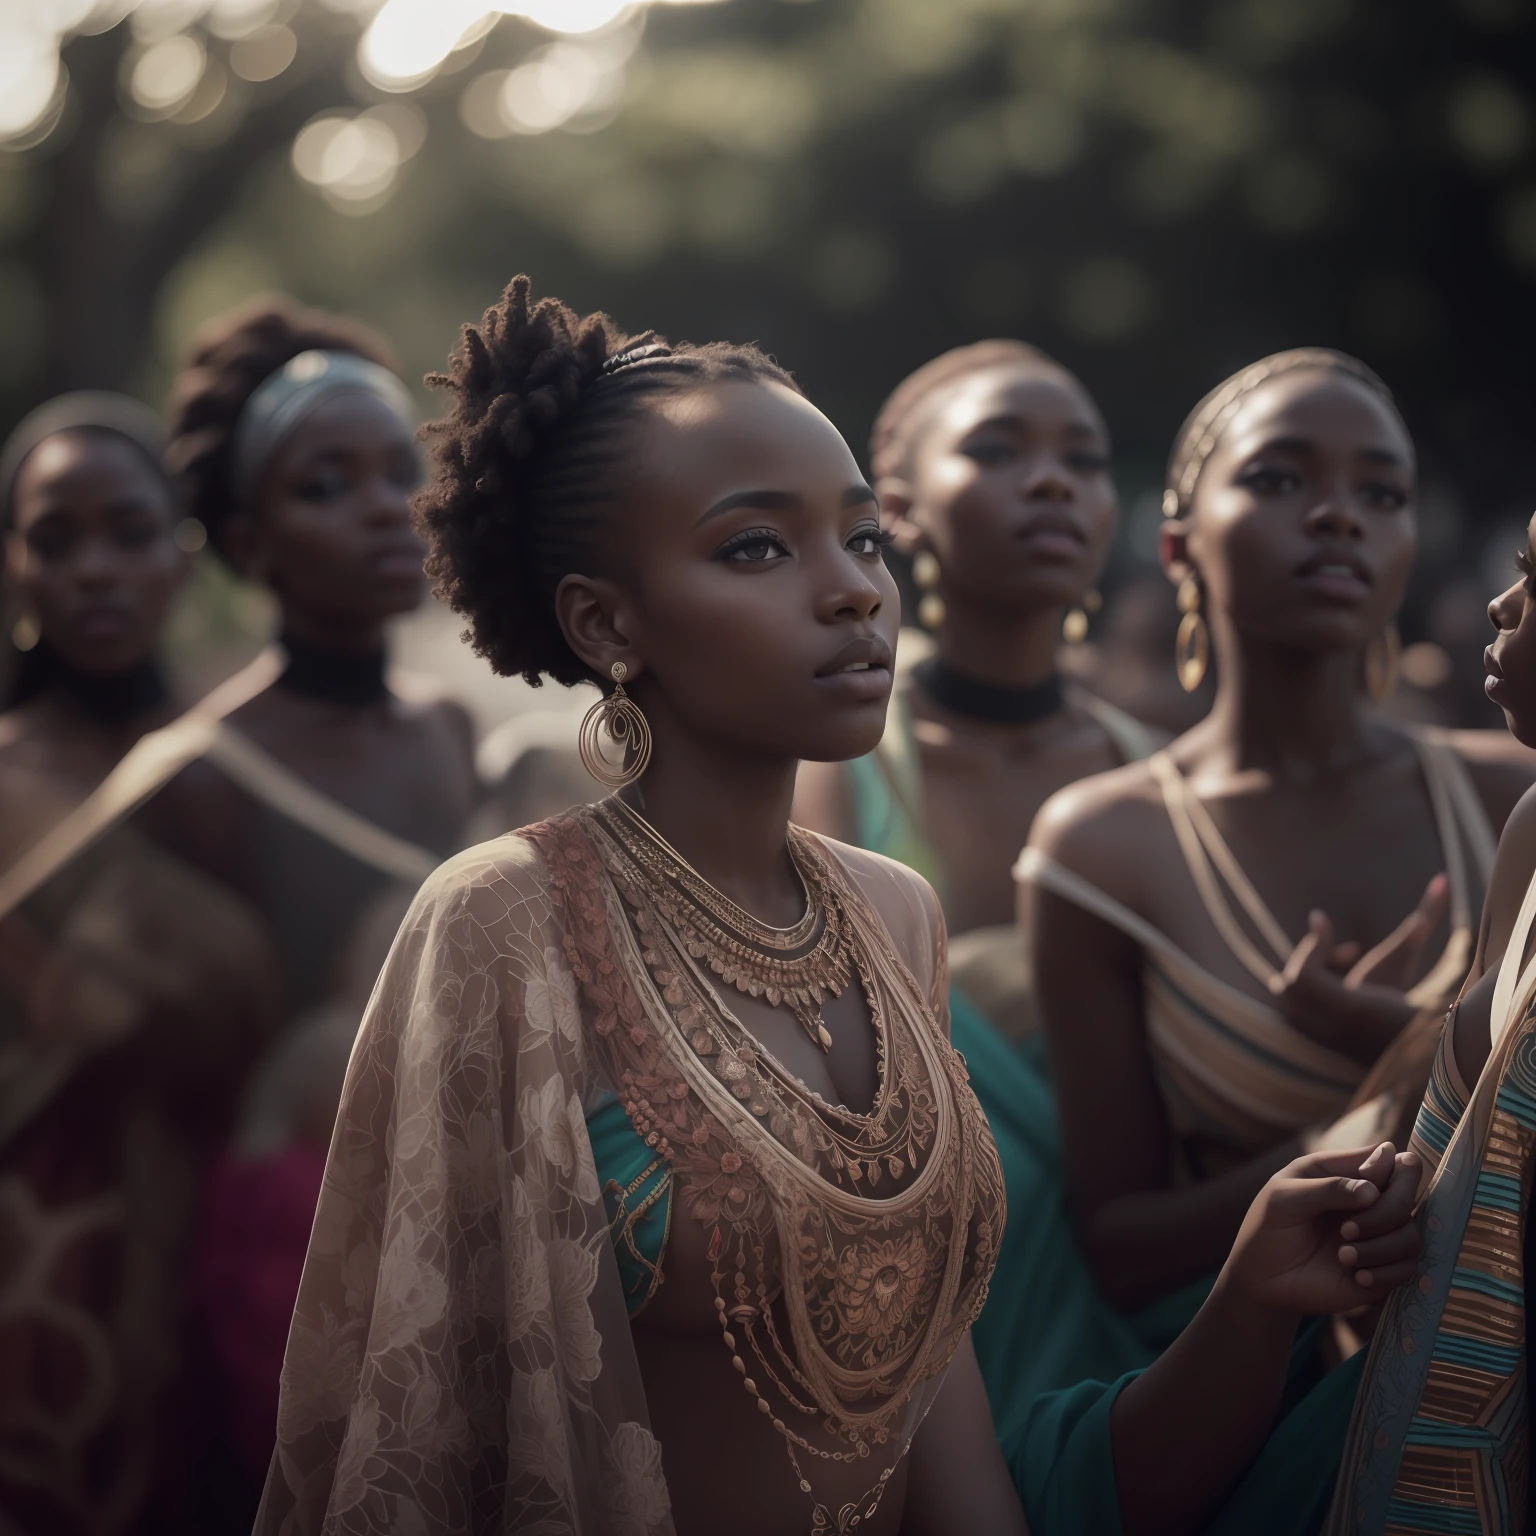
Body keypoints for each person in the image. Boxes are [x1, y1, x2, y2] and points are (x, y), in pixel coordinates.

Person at [254, 278, 1424, 1536]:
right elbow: (422, 1432)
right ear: (606, 620)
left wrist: (1252, 1290)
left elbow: (938, 1413)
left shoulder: (892, 915)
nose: (854, 590)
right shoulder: (506, 921)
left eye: (863, 539)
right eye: (757, 546)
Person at [1019, 349, 1534, 1342]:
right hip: (1262, 1415)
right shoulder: (1098, 846)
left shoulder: (1511, 790)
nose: (1340, 514)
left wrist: (1410, 1058)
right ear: (1178, 547)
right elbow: (1121, 1251)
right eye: (1278, 477)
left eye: (1382, 492)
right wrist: (1386, 1106)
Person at [792, 342, 1171, 1437]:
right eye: (1000, 449)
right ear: (897, 511)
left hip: (1167, 1310)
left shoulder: (1165, 779)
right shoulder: (835, 768)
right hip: (929, 1316)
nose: (1053, 480)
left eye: (1084, 459)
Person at [0, 395, 280, 1534]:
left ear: (183, 554)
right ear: (13, 566)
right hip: (35, 1230)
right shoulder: (5, 779)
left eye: (127, 532)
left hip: (225, 1223)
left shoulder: (238, 766)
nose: (93, 571)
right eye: (54, 540)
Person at [163, 295, 478, 1019]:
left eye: (402, 471)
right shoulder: (207, 776)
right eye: (325, 485)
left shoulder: (449, 726)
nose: (385, 508)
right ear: (248, 543)